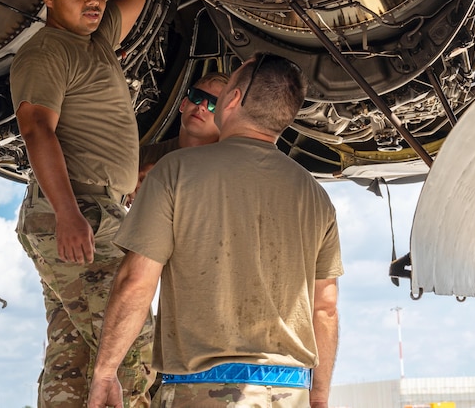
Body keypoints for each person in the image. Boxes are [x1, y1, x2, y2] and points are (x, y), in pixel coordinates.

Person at [87, 53, 343, 408]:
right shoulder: (316, 196)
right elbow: (325, 308)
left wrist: (104, 372)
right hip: (291, 392)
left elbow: (136, 281)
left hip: (204, 391)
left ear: (234, 99)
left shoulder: (176, 171)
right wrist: (318, 397)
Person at [10, 0, 154, 408]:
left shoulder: (97, 42)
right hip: (78, 211)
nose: (94, 0)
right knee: (129, 344)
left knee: (75, 357)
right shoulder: (48, 52)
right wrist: (70, 214)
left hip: (96, 209)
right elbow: (37, 131)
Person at [134, 71, 229, 199]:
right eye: (197, 96)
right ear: (183, 104)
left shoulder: (227, 169)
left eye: (214, 104)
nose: (201, 106)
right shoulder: (142, 157)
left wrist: (165, 173)